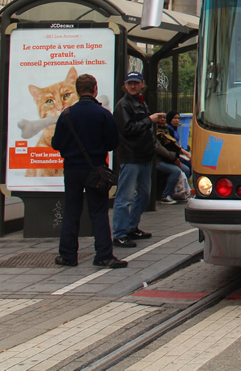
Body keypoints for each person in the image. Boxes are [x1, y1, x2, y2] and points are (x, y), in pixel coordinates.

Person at [50, 74, 128, 269]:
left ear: (77, 91)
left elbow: (56, 144)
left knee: (71, 211)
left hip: (72, 170)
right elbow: (113, 143)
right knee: (99, 212)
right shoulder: (103, 114)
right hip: (96, 169)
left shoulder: (67, 114)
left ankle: (68, 255)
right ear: (95, 89)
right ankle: (103, 255)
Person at [112, 71, 166, 247]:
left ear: (142, 84)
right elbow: (127, 129)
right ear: (125, 86)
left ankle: (131, 227)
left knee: (144, 195)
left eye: (136, 83)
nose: (133, 86)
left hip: (144, 156)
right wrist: (149, 120)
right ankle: (120, 233)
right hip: (131, 156)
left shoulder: (140, 103)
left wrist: (153, 122)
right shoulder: (123, 105)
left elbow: (141, 126)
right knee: (125, 196)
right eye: (130, 84)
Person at [156, 110, 190, 203]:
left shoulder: (166, 130)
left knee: (186, 169)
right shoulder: (156, 132)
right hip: (159, 160)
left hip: (170, 158)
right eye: (160, 118)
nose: (163, 120)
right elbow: (160, 149)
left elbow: (174, 145)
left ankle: (180, 192)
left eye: (164, 118)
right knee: (176, 171)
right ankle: (165, 195)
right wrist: (174, 158)